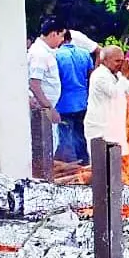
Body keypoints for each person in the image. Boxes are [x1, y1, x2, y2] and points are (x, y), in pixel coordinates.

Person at [84, 46, 129, 155]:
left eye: (122, 61)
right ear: (105, 60)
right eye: (117, 61)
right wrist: (124, 76)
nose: (120, 64)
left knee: (118, 160)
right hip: (100, 128)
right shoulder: (99, 75)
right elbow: (115, 93)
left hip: (115, 125)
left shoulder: (117, 74)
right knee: (102, 163)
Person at [54, 35, 94, 164]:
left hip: (63, 102)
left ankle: (68, 165)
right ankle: (83, 163)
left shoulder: (56, 55)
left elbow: (55, 79)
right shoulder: (85, 53)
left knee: (64, 136)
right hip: (82, 101)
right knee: (80, 133)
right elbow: (90, 75)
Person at [28, 18, 66, 126]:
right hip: (41, 112)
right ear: (54, 34)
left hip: (45, 109)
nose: (63, 40)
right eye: (61, 35)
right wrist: (48, 108)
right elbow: (34, 84)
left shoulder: (45, 52)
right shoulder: (40, 54)